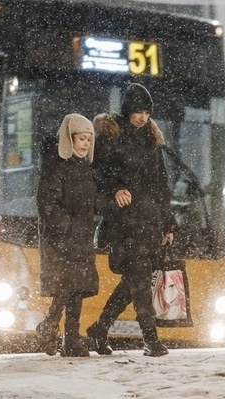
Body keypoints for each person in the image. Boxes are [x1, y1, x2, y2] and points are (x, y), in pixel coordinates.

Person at [87, 83, 175, 357]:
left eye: (147, 112)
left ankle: (99, 329)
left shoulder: (151, 140)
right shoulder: (111, 137)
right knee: (138, 279)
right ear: (128, 110)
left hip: (149, 221)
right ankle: (150, 339)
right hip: (124, 222)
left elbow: (161, 185)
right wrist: (115, 189)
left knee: (135, 281)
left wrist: (168, 223)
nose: (143, 118)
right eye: (138, 111)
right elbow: (98, 174)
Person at [35, 113, 99, 357]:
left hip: (81, 237)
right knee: (68, 284)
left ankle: (69, 336)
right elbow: (47, 204)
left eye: (89, 140)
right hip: (60, 239)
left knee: (78, 287)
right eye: (82, 139)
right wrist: (69, 227)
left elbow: (91, 202)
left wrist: (116, 199)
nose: (86, 144)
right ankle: (52, 327)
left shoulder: (84, 168)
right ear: (68, 139)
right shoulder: (56, 165)